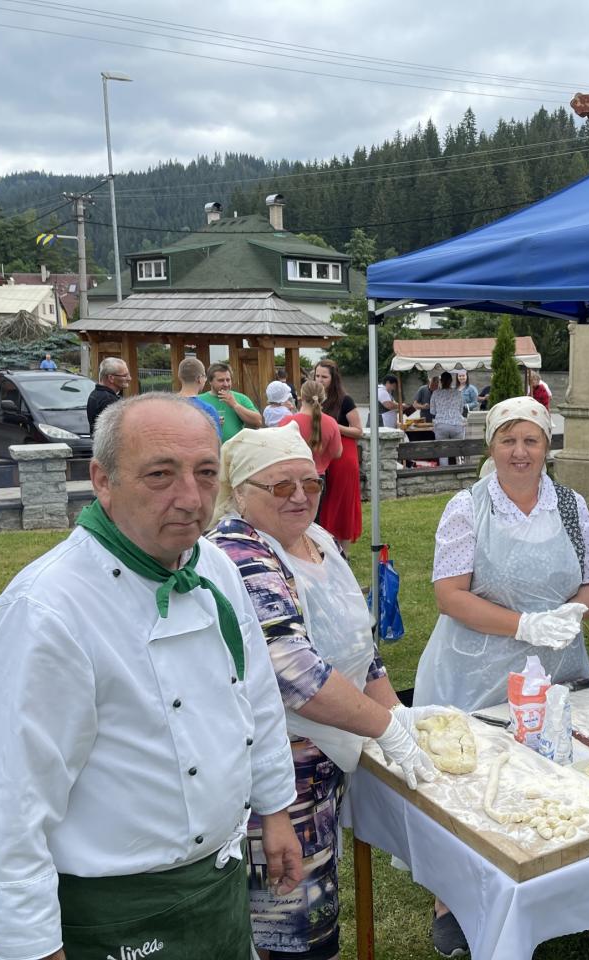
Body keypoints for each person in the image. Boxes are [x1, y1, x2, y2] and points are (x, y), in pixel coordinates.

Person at [0, 394, 304, 960]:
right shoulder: (48, 611)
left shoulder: (214, 566)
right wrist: (32, 948)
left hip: (220, 883)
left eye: (205, 473)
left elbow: (255, 698)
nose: (190, 499)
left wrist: (276, 809)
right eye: (160, 474)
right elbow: (4, 805)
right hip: (114, 909)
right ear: (103, 480)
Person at [208, 424, 443, 960]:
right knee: (291, 919)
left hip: (325, 757)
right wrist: (387, 729)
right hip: (274, 774)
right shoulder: (237, 554)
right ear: (240, 493)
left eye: (310, 483)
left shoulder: (320, 542)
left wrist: (396, 709)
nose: (299, 497)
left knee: (314, 899)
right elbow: (295, 674)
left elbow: (358, 641)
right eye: (280, 486)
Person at [415, 395, 589, 955]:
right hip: (476, 670)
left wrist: (573, 613)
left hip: (555, 665)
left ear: (547, 447)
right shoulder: (468, 507)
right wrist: (524, 624)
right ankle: (452, 900)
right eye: (508, 440)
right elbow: (450, 596)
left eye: (531, 440)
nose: (520, 452)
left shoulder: (569, 505)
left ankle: (540, 879)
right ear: (491, 446)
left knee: (547, 775)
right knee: (469, 786)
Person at [312, 359, 363, 550]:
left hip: (343, 455)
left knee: (341, 502)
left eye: (324, 377)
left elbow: (358, 430)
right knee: (323, 502)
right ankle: (324, 546)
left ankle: (343, 552)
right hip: (322, 455)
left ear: (333, 379)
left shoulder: (345, 400)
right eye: (317, 376)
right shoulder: (313, 398)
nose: (319, 380)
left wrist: (333, 426)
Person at [279, 379, 344, 474]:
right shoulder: (331, 422)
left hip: (293, 476)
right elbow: (337, 453)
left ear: (302, 397)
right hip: (317, 477)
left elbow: (280, 451)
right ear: (323, 398)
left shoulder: (287, 421)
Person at [200, 362, 265, 441]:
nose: (226, 384)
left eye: (228, 380)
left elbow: (258, 421)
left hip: (235, 447)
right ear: (210, 381)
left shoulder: (241, 398)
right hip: (209, 447)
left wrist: (235, 405)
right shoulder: (200, 400)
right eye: (221, 380)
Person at [177, 356, 223, 437]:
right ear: (199, 378)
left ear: (179, 377)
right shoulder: (207, 409)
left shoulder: (166, 404)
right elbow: (216, 440)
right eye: (205, 376)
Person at [429, 370, 467, 464]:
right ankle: (460, 469)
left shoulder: (435, 393)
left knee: (443, 453)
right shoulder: (458, 393)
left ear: (441, 381)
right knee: (458, 452)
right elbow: (461, 411)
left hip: (441, 425)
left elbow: (432, 411)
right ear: (451, 381)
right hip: (457, 425)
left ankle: (444, 471)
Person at [85, 356, 130, 435]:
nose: (129, 378)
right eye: (125, 375)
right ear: (111, 378)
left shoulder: (95, 394)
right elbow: (117, 431)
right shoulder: (108, 400)